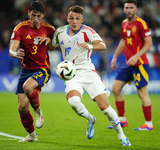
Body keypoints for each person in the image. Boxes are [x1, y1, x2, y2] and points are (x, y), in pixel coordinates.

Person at [52, 5, 131, 146]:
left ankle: (121, 135)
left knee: (105, 108)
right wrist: (47, 41)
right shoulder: (60, 32)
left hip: (88, 73)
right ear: (67, 18)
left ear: (82, 19)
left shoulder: (88, 31)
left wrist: (89, 46)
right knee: (74, 102)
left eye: (77, 19)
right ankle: (90, 119)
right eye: (71, 18)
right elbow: (53, 45)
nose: (74, 21)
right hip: (71, 74)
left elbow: (103, 46)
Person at [9, 1, 55, 142]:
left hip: (42, 69)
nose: (35, 19)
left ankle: (38, 111)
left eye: (38, 16)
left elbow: (53, 48)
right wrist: (14, 53)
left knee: (27, 87)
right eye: (33, 15)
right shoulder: (21, 28)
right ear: (29, 13)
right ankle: (32, 135)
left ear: (43, 15)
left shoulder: (49, 29)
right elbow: (12, 48)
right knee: (22, 108)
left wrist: (48, 40)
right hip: (25, 70)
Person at [108, 0, 153, 131]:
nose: (129, 10)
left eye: (131, 8)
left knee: (142, 93)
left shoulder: (141, 24)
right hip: (129, 63)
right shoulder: (123, 24)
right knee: (116, 89)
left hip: (140, 63)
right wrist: (115, 57)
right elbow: (123, 41)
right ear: (123, 9)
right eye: (126, 7)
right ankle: (122, 120)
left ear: (136, 9)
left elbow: (149, 43)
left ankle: (148, 124)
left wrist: (136, 56)